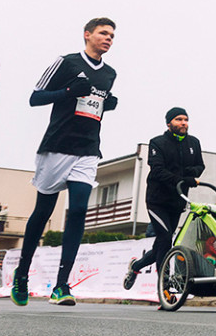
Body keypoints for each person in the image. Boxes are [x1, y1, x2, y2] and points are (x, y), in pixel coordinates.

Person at [12, 17, 118, 307]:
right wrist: (69, 92)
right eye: (103, 33)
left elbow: (93, 106)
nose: (108, 38)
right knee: (43, 212)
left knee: (79, 210)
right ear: (87, 34)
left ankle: (61, 285)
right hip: (57, 147)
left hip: (88, 149)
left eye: (112, 35)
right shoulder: (67, 62)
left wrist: (106, 105)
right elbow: (35, 98)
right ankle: (22, 273)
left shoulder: (110, 73)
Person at [124, 107, 205, 291]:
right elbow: (158, 170)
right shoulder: (157, 143)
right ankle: (165, 286)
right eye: (178, 119)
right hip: (157, 201)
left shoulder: (194, 143)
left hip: (178, 200)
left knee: (162, 244)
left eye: (185, 119)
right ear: (169, 123)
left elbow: (200, 166)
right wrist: (182, 179)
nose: (183, 123)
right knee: (166, 238)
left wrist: (189, 175)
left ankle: (136, 266)